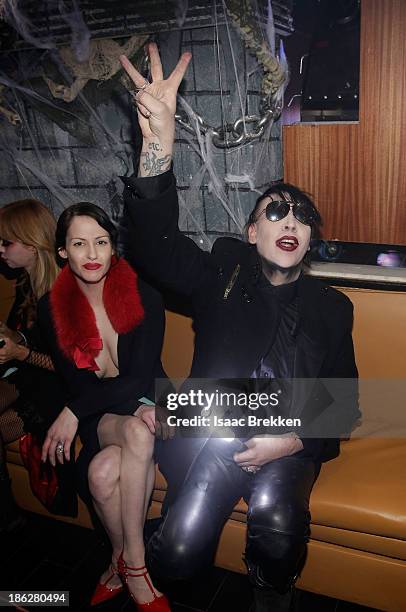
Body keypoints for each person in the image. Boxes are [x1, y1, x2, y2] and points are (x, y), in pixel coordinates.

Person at [119, 44, 360, 612]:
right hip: (216, 437)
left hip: (289, 439)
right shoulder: (223, 272)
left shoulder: (332, 306)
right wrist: (157, 147)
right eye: (275, 212)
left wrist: (294, 439)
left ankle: (271, 590)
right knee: (175, 555)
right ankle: (139, 551)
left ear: (308, 242)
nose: (290, 223)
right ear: (252, 233)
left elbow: (344, 401)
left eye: (301, 218)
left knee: (277, 531)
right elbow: (157, 252)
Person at [38, 202, 170, 611]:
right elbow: (75, 384)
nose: (93, 255)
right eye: (79, 244)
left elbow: (142, 375)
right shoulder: (52, 308)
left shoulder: (143, 294)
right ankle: (137, 565)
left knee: (99, 473)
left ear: (114, 247)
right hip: (99, 415)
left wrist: (72, 412)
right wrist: (79, 410)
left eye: (101, 242)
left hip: (149, 400)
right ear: (63, 251)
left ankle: (121, 562)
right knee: (131, 431)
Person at [0, 199, 64, 533]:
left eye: (5, 242)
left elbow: (73, 369)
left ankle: (7, 517)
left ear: (31, 244)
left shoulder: (65, 292)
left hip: (59, 391)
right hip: (28, 377)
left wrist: (19, 353)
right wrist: (13, 339)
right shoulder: (26, 283)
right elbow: (27, 339)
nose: (1, 250)